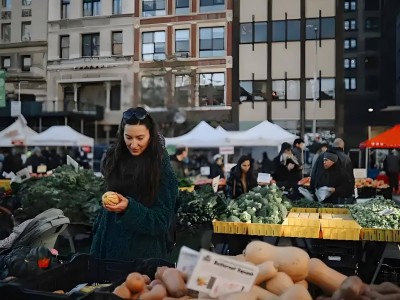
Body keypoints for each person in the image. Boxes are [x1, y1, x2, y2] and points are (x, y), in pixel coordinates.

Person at [90, 107, 178, 261]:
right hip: (105, 248)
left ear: (150, 136)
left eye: (140, 137)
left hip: (141, 258)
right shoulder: (115, 156)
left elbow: (161, 221)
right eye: (128, 137)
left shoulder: (160, 165)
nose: (134, 144)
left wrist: (128, 207)